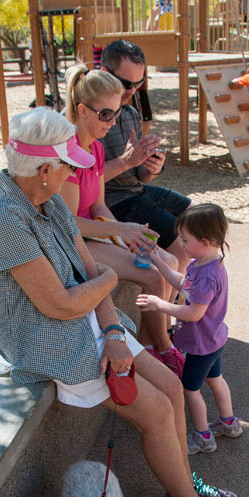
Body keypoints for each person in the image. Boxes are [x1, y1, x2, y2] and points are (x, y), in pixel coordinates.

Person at [0, 107, 249, 497]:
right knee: (157, 411)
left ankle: (181, 483)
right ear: (45, 169)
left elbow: (88, 274)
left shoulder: (45, 199)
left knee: (173, 388)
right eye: (66, 165)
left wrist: (116, 333)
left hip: (89, 323)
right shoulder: (3, 218)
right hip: (49, 341)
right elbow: (63, 301)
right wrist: (108, 281)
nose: (72, 174)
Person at [60, 64, 184, 375]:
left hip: (92, 233)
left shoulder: (96, 149)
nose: (112, 122)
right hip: (72, 242)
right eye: (106, 114)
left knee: (165, 259)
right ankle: (164, 351)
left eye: (116, 114)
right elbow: (67, 224)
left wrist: (127, 235)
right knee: (156, 275)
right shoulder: (70, 153)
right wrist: (120, 231)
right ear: (82, 110)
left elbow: (99, 205)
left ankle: (152, 345)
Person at [136, 203, 243, 455]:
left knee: (190, 390)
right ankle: (229, 422)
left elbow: (194, 312)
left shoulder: (205, 274)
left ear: (205, 241)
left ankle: (203, 436)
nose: (181, 245)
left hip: (200, 345)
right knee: (216, 380)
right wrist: (159, 262)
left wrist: (160, 304)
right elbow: (186, 285)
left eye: (185, 240)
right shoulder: (207, 262)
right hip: (213, 339)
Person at [100, 40, 192, 276]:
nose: (131, 91)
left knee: (198, 216)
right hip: (113, 200)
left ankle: (194, 297)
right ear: (104, 73)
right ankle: (177, 308)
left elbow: (140, 176)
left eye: (138, 83)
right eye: (125, 83)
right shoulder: (92, 116)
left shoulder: (130, 113)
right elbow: (85, 182)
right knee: (180, 246)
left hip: (135, 191)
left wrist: (152, 167)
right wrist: (127, 162)